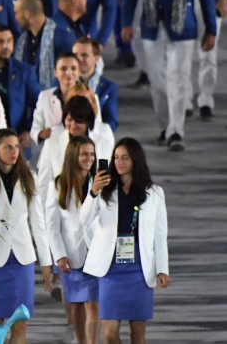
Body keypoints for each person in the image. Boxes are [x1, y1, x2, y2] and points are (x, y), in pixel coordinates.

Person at [121, 0, 216, 152]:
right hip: (152, 24)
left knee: (179, 77)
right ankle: (165, 125)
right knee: (157, 81)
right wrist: (126, 22)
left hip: (184, 26)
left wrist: (211, 28)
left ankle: (176, 131)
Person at [81, 138, 171, 344]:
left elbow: (159, 235)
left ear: (135, 160)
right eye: (116, 157)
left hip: (140, 267)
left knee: (137, 334)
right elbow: (84, 219)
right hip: (110, 268)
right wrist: (93, 191)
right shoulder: (104, 189)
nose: (119, 162)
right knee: (110, 334)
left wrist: (162, 269)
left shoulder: (154, 193)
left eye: (125, 158)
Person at [0, 128, 51, 344]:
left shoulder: (30, 177)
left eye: (17, 146)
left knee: (20, 322)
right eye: (8, 147)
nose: (14, 151)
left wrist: (46, 262)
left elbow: (38, 223)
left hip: (22, 259)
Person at [46, 136, 100, 344]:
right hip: (71, 254)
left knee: (93, 303)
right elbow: (52, 224)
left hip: (96, 253)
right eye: (85, 154)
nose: (89, 158)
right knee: (77, 305)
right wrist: (58, 254)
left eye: (92, 154)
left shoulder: (100, 181)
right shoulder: (58, 184)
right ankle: (81, 341)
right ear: (73, 156)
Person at [37, 96, 115, 208]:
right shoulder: (52, 142)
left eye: (78, 121)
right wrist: (44, 211)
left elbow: (111, 179)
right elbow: (43, 181)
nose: (73, 126)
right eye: (69, 120)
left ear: (88, 121)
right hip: (63, 208)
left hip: (96, 208)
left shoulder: (104, 142)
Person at [0, 25, 40, 154]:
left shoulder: (24, 71)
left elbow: (39, 103)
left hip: (17, 140)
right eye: (0, 42)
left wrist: (29, 130)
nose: (6, 46)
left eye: (9, 41)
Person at [13, 0, 75, 90]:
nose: (15, 18)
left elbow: (71, 73)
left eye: (16, 13)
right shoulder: (22, 40)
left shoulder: (62, 37)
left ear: (27, 14)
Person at [31, 52, 82, 144]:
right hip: (54, 150)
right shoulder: (45, 96)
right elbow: (36, 126)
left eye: (73, 68)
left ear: (79, 72)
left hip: (80, 147)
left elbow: (95, 128)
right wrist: (41, 134)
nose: (68, 72)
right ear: (55, 73)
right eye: (63, 68)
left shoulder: (89, 96)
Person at [73, 38, 119, 131]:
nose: (79, 59)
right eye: (75, 55)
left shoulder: (108, 87)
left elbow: (111, 121)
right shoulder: (62, 83)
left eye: (84, 55)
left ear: (96, 58)